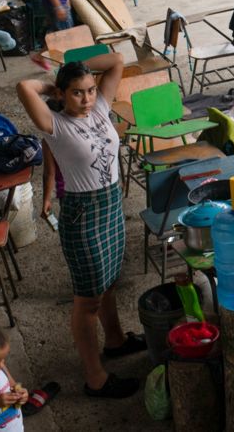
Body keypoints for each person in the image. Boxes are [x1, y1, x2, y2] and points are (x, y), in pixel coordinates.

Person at [16, 55, 144, 399]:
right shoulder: (54, 123)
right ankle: (95, 378)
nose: (86, 98)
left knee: (109, 282)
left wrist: (78, 66)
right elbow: (23, 86)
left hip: (111, 205)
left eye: (89, 90)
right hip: (82, 215)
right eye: (76, 93)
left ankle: (115, 341)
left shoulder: (100, 108)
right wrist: (52, 87)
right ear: (62, 94)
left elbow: (116, 61)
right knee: (87, 299)